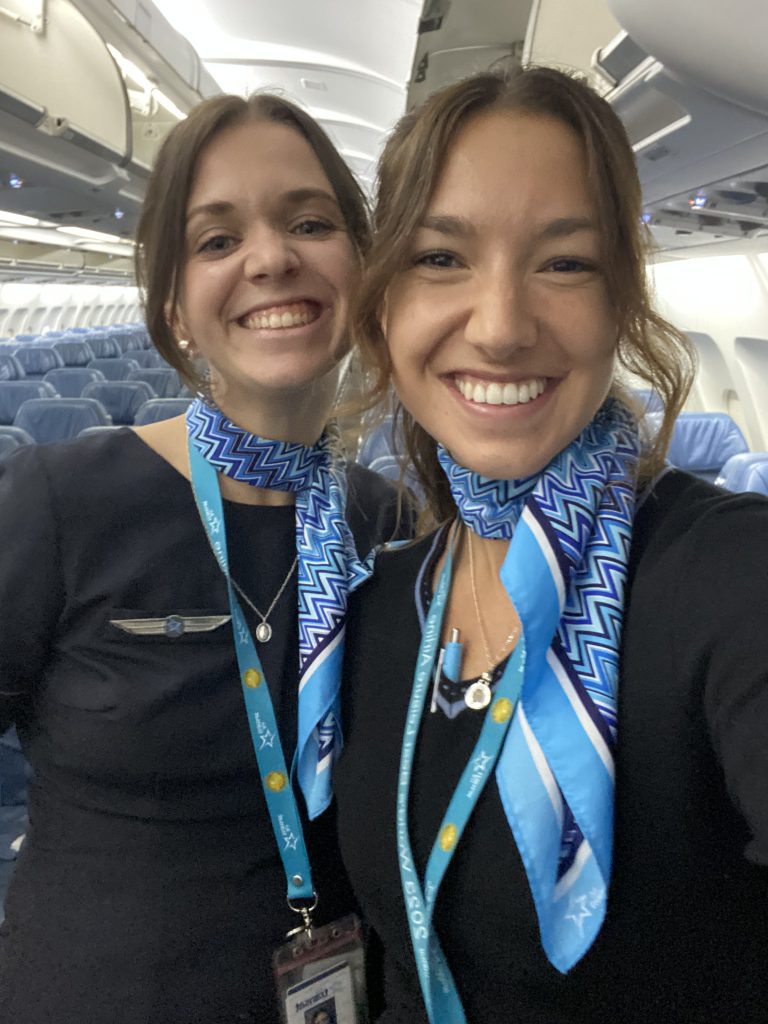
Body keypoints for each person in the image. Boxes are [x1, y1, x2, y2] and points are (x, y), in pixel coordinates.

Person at [335, 66, 768, 1024]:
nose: (499, 327)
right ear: (383, 305)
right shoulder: (377, 607)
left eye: (565, 263)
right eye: (442, 259)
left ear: (623, 301)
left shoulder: (732, 577)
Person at [0, 92, 402, 1024]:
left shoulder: (392, 526)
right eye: (217, 241)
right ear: (174, 303)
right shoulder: (64, 503)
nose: (271, 258)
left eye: (310, 222)